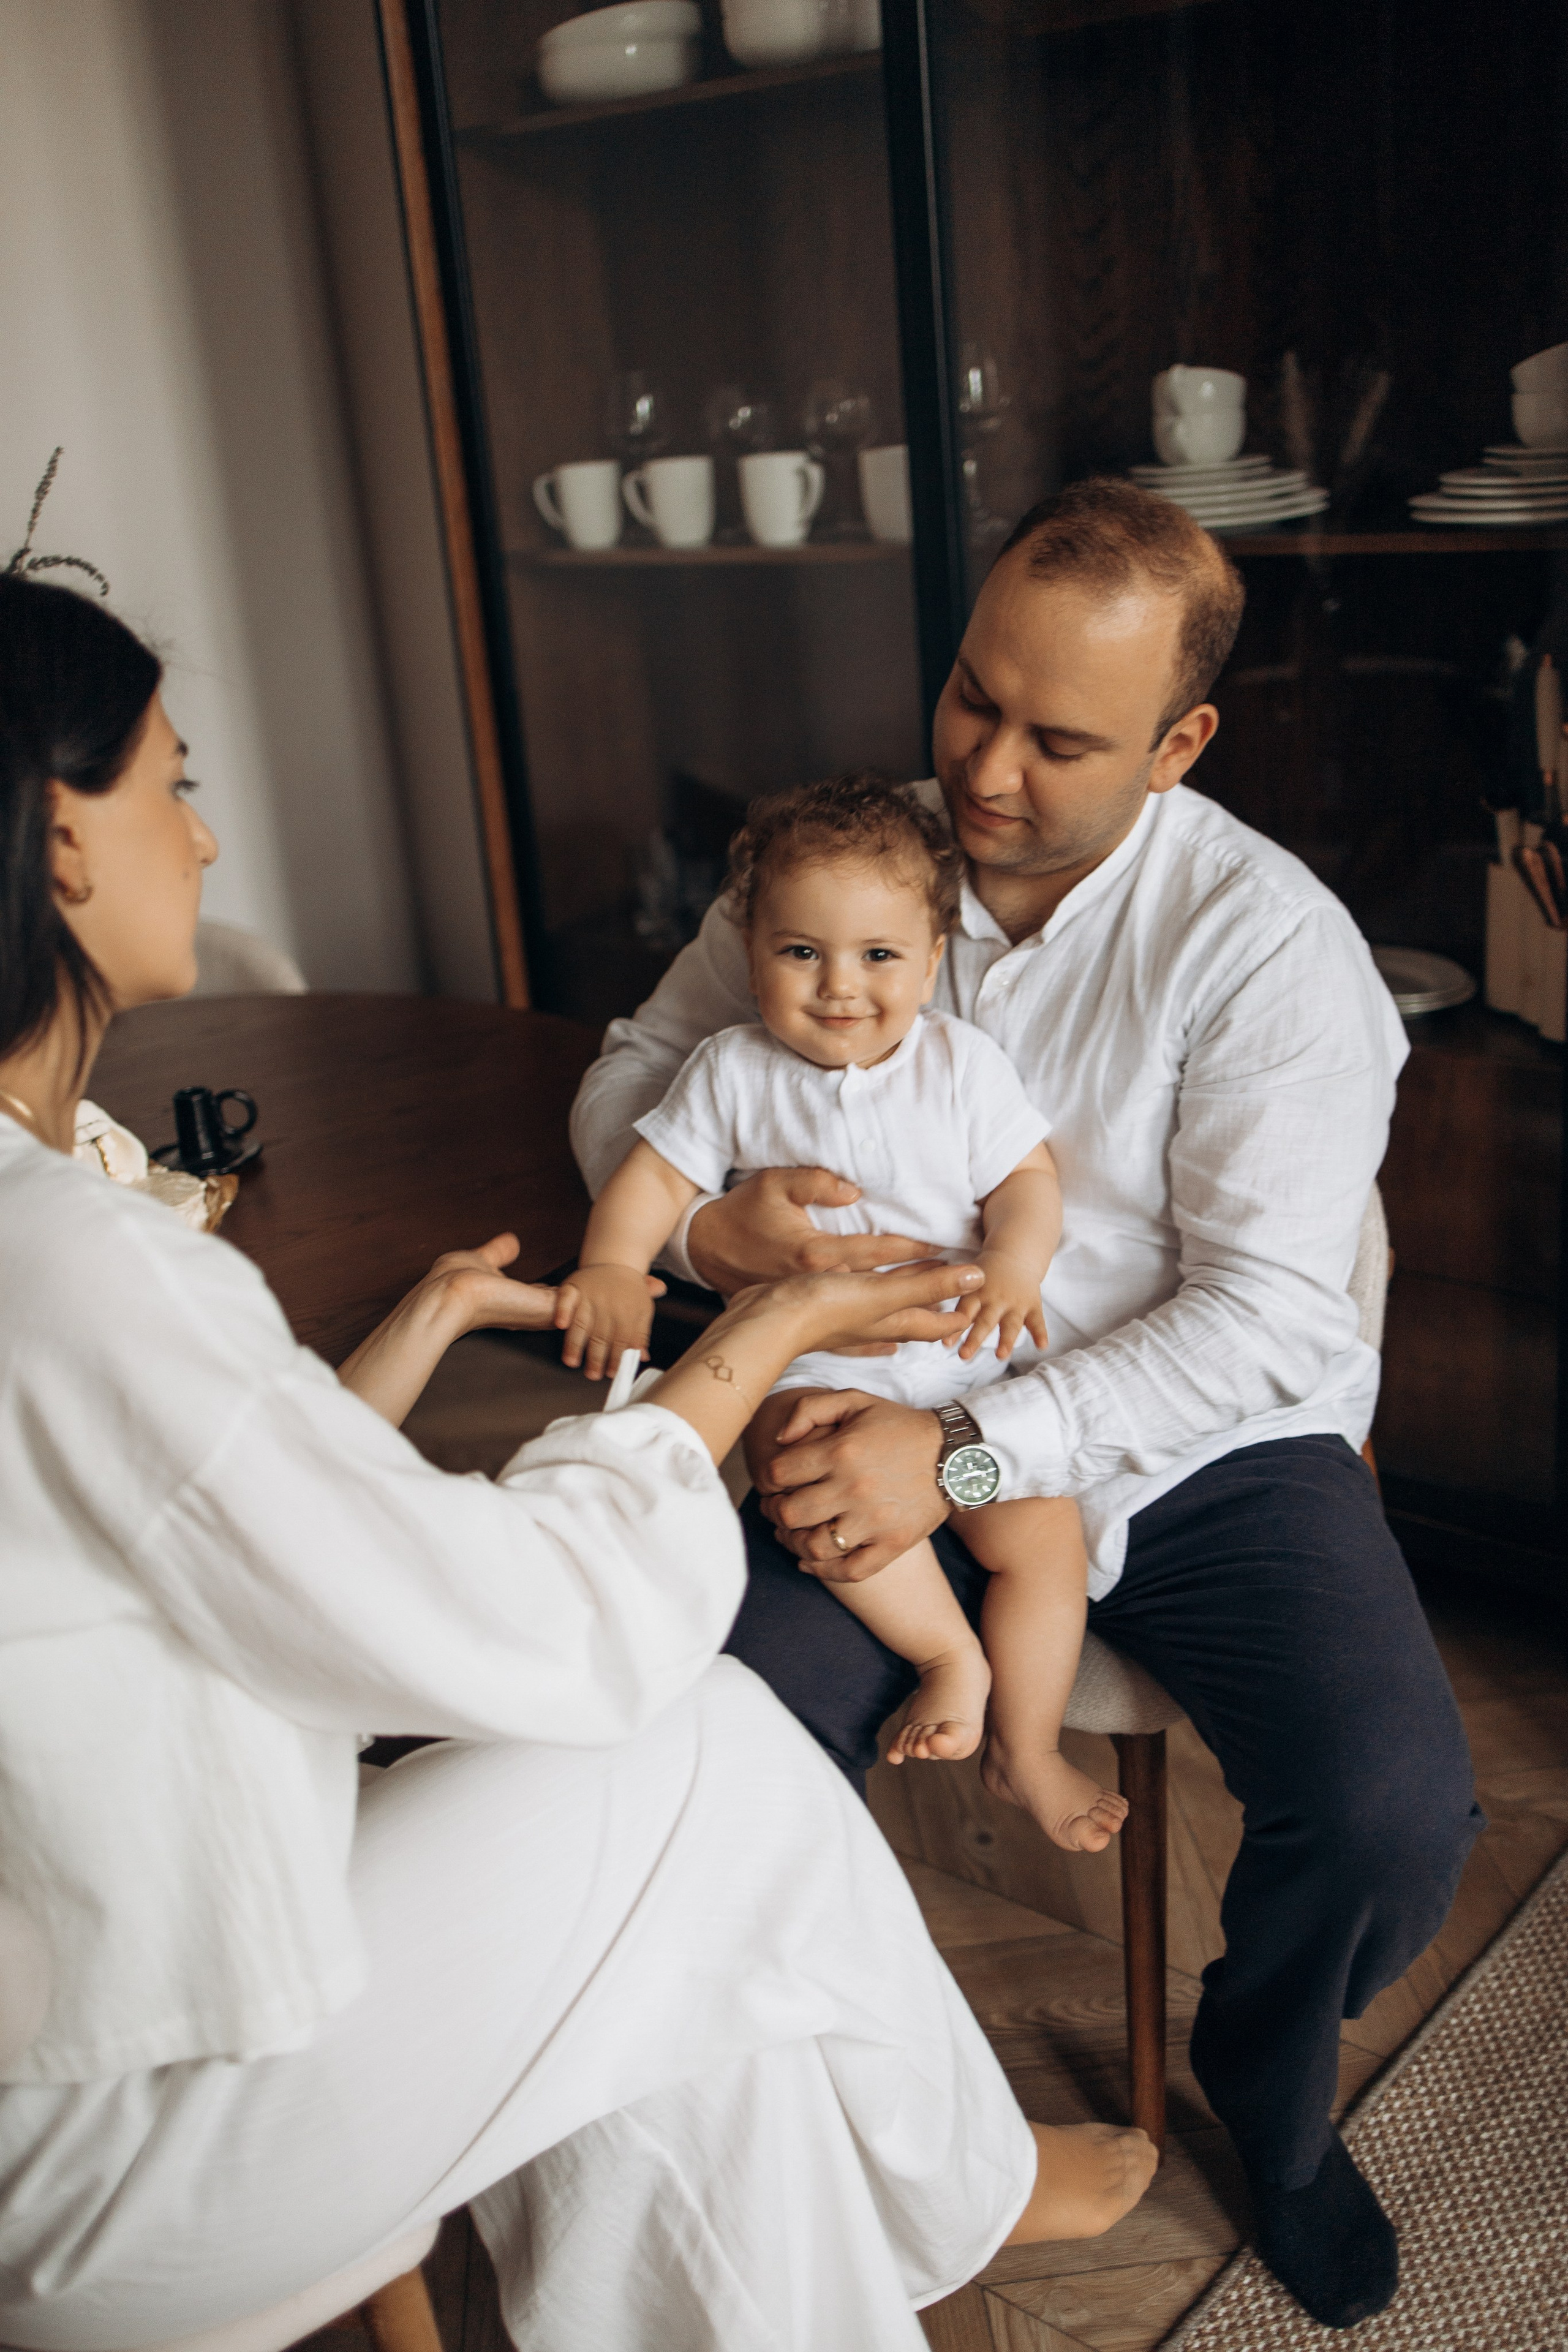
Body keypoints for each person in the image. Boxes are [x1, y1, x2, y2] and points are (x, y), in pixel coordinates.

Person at [0, 570, 1158, 2352]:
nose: (211, 841)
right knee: (684, 1743)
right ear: (60, 843)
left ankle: (938, 2189)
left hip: (89, 1976)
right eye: (173, 781)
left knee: (691, 1863)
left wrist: (432, 1327)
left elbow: (198, 1509)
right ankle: (953, 2185)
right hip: (106, 2122)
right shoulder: (71, 1261)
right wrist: (763, 1331)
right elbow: (538, 1631)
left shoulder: (52, 1212)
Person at [570, 477, 1485, 2333]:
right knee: (694, 1744)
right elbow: (635, 1081)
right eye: (972, 695)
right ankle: (841, 2151)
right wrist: (723, 1237)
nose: (982, 770)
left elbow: (1259, 1318)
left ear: (1181, 742)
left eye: (1058, 739)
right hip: (853, 1389)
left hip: (1193, 1442)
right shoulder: (848, 858)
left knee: (1395, 1807)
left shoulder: (1269, 950)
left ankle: (1272, 2085)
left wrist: (966, 1451)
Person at [555, 774, 1126, 1854]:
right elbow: (652, 1180)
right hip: (821, 1372)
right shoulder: (731, 1070)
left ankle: (1027, 1744)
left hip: (961, 1382)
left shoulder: (961, 1068)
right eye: (800, 952)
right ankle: (948, 1656)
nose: (839, 988)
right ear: (752, 947)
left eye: (878, 956)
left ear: (932, 960)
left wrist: (1014, 1262)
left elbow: (1028, 1183)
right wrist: (615, 1264)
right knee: (808, 1482)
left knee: (1043, 1536)